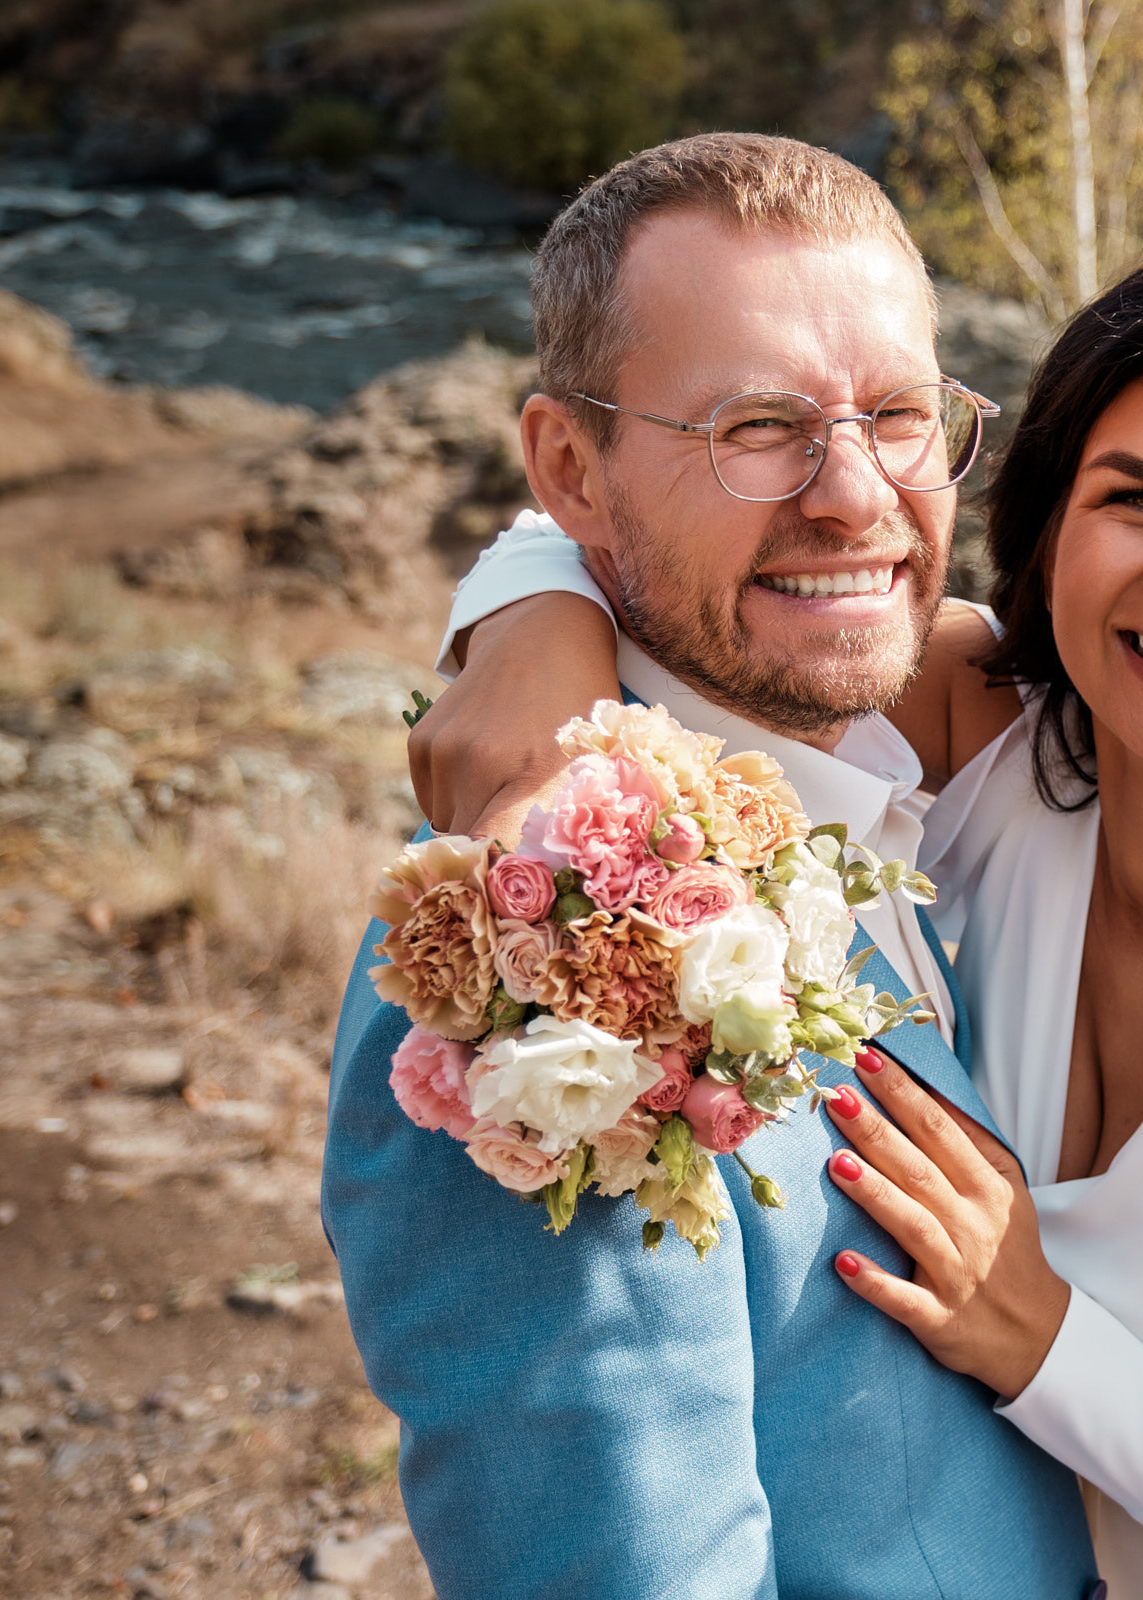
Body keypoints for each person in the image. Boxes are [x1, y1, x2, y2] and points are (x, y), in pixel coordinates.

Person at [423, 249, 1143, 1599]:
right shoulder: (1020, 754)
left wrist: (1041, 1336)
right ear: (1051, 531)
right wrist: (531, 632)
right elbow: (668, 554)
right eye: (1139, 500)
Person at [322, 132, 1101, 1600]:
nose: (855, 495)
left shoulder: (921, 757)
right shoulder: (535, 970)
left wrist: (521, 589)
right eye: (758, 426)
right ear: (570, 466)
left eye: (899, 413)